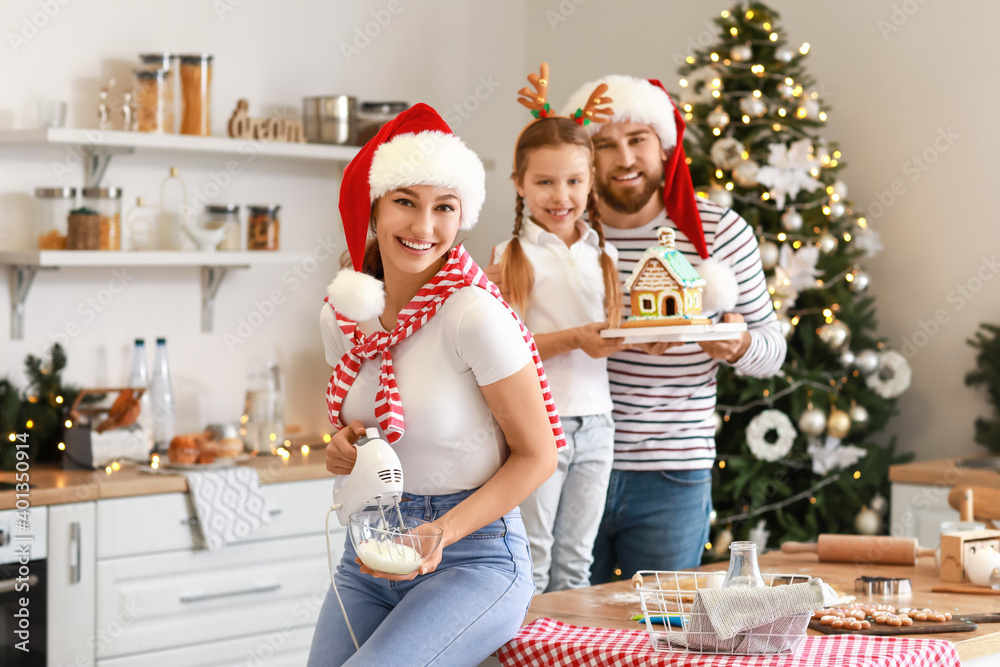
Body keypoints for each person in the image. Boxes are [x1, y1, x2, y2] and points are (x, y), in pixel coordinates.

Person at [308, 103, 562, 666]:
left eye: (444, 208)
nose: (424, 227)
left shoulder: (474, 315)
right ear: (373, 210)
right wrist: (346, 445)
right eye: (405, 202)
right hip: (372, 545)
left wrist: (439, 534)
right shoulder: (343, 314)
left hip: (475, 556)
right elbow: (367, 427)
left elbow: (538, 455)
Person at [559, 75, 787, 581]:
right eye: (605, 145)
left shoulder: (719, 231)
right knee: (563, 625)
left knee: (664, 635)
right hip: (566, 465)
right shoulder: (562, 230)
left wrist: (734, 344)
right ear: (585, 156)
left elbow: (772, 349)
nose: (624, 159)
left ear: (664, 147)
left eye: (637, 140)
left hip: (672, 473)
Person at [491, 64, 624, 595]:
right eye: (544, 181)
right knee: (535, 558)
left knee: (576, 563)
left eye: (573, 180)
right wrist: (573, 339)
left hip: (599, 425)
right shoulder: (511, 257)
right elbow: (506, 351)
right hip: (538, 425)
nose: (560, 195)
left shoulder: (603, 253)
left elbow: (613, 332)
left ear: (590, 181)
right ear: (520, 183)